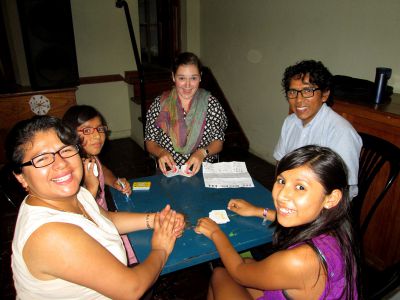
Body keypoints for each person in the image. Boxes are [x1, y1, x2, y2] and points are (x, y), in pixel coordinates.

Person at [7, 116, 184, 299]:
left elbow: (104, 219)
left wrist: (155, 220)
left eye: (66, 150)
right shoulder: (50, 235)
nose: (61, 164)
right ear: (21, 176)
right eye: (42, 159)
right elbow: (131, 289)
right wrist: (160, 248)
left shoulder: (73, 193)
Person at [195, 145, 360, 299]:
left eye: (300, 187)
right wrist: (258, 211)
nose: (281, 196)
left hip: (292, 274)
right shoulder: (338, 227)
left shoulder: (300, 260)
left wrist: (215, 232)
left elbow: (239, 272)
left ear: (331, 199)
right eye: (281, 181)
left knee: (220, 275)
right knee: (247, 262)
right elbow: (297, 219)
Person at [274, 60, 362, 199]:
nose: (298, 100)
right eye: (293, 92)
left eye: (307, 91)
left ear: (325, 95)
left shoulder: (341, 132)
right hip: (293, 196)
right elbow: (281, 164)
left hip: (326, 208)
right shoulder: (290, 122)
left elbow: (342, 189)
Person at [63, 105, 136, 265]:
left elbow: (102, 168)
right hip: (95, 236)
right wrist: (91, 188)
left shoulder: (89, 156)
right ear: (70, 134)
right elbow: (80, 218)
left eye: (100, 129)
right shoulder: (69, 172)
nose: (97, 136)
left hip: (107, 220)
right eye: (87, 130)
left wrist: (114, 181)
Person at [145, 52, 228, 176]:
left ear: (200, 77)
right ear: (173, 77)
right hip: (168, 171)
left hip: (202, 171)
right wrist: (161, 152)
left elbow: (218, 142)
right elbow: (150, 142)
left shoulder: (211, 104)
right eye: (182, 78)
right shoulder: (160, 104)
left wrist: (202, 153)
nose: (188, 85)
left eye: (193, 78)